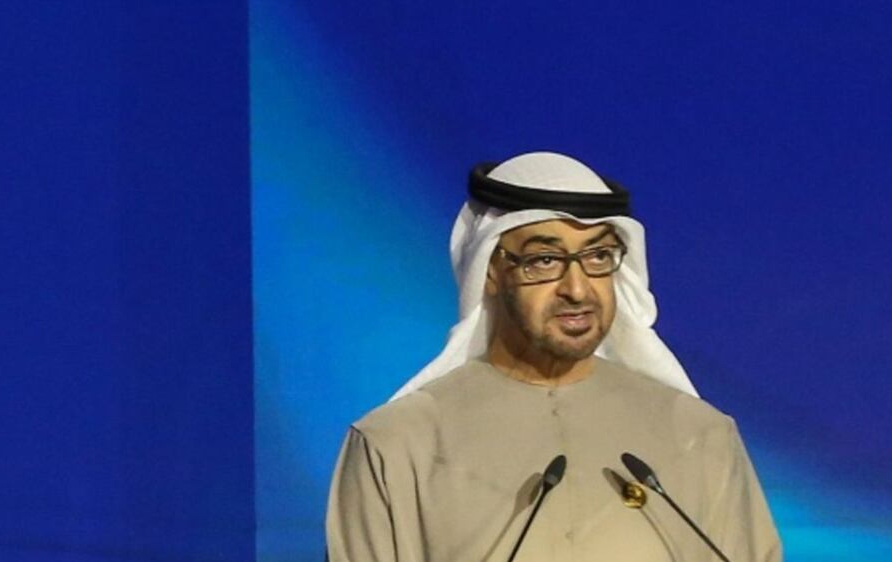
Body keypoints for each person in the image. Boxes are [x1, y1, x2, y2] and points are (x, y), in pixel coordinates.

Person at [326, 152, 782, 561]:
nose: (578, 289)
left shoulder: (700, 436)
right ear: (489, 270)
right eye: (544, 260)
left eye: (598, 256)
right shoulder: (395, 446)